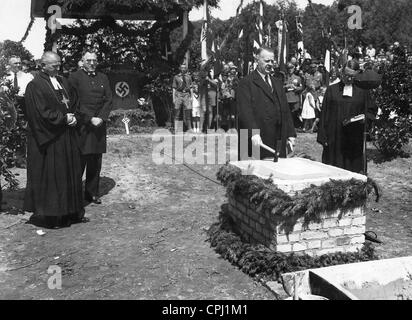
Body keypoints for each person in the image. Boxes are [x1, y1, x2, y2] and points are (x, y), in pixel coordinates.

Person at [24, 51, 85, 228]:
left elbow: (74, 102)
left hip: (66, 136)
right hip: (50, 140)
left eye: (59, 64)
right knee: (52, 178)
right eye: (53, 65)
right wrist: (63, 118)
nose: (58, 67)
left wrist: (74, 117)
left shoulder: (63, 81)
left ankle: (71, 214)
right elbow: (39, 113)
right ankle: (52, 217)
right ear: (42, 65)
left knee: (69, 174)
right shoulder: (34, 86)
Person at [317, 60, 378, 174]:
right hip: (335, 137)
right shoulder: (332, 90)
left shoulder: (363, 91)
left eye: (352, 76)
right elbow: (324, 112)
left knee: (353, 170)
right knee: (333, 168)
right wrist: (323, 135)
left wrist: (366, 118)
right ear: (341, 72)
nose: (348, 78)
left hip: (353, 137)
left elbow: (371, 109)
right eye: (346, 75)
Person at [68, 49, 113, 205]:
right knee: (79, 161)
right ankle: (74, 195)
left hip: (99, 126)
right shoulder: (74, 77)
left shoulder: (103, 77)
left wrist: (101, 117)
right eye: (89, 60)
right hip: (82, 126)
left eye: (94, 60)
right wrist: (89, 118)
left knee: (95, 160)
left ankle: (91, 193)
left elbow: (108, 100)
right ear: (83, 61)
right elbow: (74, 102)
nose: (92, 63)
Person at [236, 46, 296, 160]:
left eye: (272, 61)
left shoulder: (277, 83)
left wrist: (291, 134)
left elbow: (285, 110)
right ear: (257, 60)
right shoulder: (246, 83)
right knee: (253, 175)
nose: (270, 64)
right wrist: (253, 133)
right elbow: (245, 112)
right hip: (255, 139)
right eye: (266, 61)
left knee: (277, 173)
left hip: (277, 138)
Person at [172, 63, 193, 132]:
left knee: (188, 111)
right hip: (179, 94)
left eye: (184, 68)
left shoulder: (189, 77)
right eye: (182, 67)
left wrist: (191, 97)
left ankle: (189, 128)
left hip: (186, 94)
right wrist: (174, 98)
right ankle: (176, 129)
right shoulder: (176, 77)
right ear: (180, 68)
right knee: (177, 112)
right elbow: (174, 88)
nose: (183, 69)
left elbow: (191, 87)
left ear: (186, 69)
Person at [284, 62, 303, 129]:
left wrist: (296, 88)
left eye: (291, 68)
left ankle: (293, 126)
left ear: (294, 68)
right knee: (287, 113)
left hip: (294, 97)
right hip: (287, 97)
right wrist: (286, 86)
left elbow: (301, 87)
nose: (290, 69)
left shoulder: (297, 78)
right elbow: (280, 87)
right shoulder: (284, 77)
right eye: (288, 68)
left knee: (295, 113)